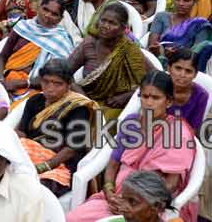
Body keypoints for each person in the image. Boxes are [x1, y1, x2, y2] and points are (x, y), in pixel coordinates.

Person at [67, 71, 197, 222]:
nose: (149, 103)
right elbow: (113, 165)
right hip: (117, 197)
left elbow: (172, 183)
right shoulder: (131, 123)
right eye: (144, 96)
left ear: (168, 102)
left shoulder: (177, 133)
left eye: (155, 98)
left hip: (149, 205)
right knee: (73, 218)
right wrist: (110, 193)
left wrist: (138, 202)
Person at [16, 59, 96, 196]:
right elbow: (21, 132)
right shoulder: (34, 101)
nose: (50, 88)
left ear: (68, 85)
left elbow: (72, 148)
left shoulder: (77, 108)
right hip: (31, 153)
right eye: (46, 82)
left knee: (34, 189)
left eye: (57, 83)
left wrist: (45, 166)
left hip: (61, 162)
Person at [67, 2, 151, 119]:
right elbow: (64, 72)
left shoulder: (129, 50)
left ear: (123, 28)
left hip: (114, 107)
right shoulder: (89, 44)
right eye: (103, 20)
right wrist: (82, 96)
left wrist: (128, 96)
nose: (105, 26)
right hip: (85, 100)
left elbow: (155, 78)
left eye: (112, 23)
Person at [0, 0, 75, 104]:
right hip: (6, 78)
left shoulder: (61, 41)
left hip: (35, 88)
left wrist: (22, 83)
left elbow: (55, 78)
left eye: (54, 14)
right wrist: (1, 81)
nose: (47, 15)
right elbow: (2, 57)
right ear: (39, 8)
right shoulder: (22, 27)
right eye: (45, 9)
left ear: (60, 19)